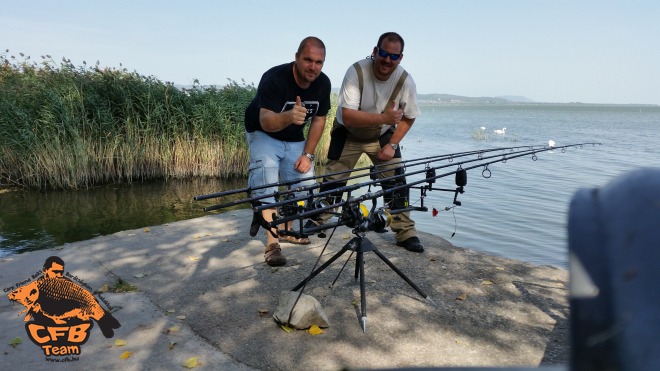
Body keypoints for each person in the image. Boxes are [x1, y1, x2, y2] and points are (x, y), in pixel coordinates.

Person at [310, 32, 424, 252]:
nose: (387, 60)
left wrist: (392, 145)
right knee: (332, 179)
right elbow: (349, 115)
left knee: (397, 180)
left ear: (400, 58)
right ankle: (317, 220)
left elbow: (410, 116)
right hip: (348, 132)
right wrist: (384, 118)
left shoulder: (405, 80)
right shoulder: (356, 71)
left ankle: (405, 232)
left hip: (382, 136)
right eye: (383, 53)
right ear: (374, 52)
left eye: (393, 56)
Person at [244, 36, 331, 266]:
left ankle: (285, 229)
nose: (313, 67)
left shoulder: (323, 83)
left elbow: (319, 119)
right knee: (267, 183)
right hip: (263, 133)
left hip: (294, 139)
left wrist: (308, 154)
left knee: (305, 187)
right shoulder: (274, 78)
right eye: (308, 60)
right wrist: (289, 116)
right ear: (296, 57)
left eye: (319, 62)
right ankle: (272, 245)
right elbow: (265, 121)